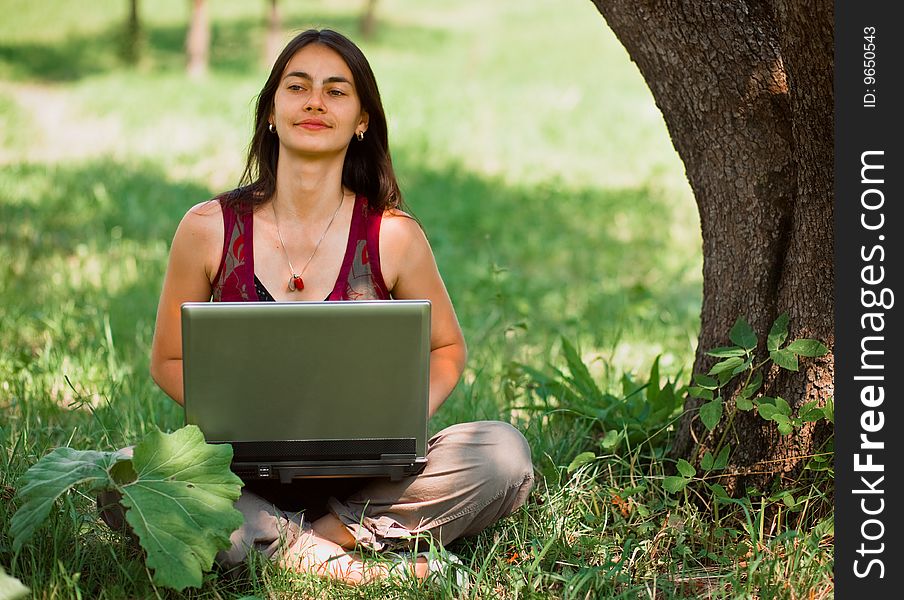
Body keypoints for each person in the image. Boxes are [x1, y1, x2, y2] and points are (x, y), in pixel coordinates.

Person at [132, 29, 534, 585]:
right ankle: (361, 570)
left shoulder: (393, 236)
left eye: (336, 91)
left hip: (365, 476)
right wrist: (240, 419)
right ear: (272, 110)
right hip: (239, 473)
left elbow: (447, 349)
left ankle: (311, 543)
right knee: (132, 474)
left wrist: (394, 424)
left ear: (362, 119)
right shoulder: (207, 229)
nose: (315, 101)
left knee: (502, 453)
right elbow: (168, 360)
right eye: (297, 87)